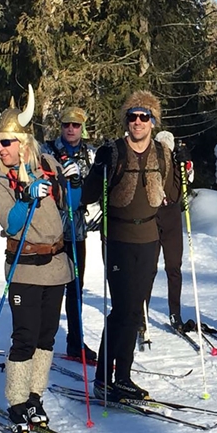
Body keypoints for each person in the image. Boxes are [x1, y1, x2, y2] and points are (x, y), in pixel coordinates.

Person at [0, 85, 79, 433]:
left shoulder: (47, 164)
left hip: (55, 267)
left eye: (6, 142)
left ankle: (35, 395)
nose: (0, 148)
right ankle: (16, 400)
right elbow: (11, 222)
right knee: (24, 336)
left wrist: (74, 180)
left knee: (47, 336)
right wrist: (27, 197)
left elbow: (71, 201)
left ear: (23, 143)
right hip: (24, 268)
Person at [82, 90, 179, 401]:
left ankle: (119, 376)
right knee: (123, 309)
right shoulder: (113, 152)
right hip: (118, 239)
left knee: (135, 311)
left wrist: (184, 169)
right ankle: (107, 376)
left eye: (144, 116)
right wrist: (97, 171)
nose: (138, 122)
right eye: (133, 116)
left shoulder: (163, 154)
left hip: (149, 239)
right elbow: (88, 195)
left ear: (152, 121)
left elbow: (173, 195)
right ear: (126, 120)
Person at [41, 107, 97, 363]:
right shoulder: (47, 150)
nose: (71, 129)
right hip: (50, 229)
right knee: (47, 286)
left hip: (76, 230)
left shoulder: (90, 153)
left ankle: (75, 342)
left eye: (75, 125)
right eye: (66, 125)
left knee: (75, 288)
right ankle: (40, 340)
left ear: (82, 127)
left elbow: (96, 188)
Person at [148, 131, 194, 333]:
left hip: (172, 216)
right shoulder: (151, 162)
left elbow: (189, 178)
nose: (165, 151)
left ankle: (175, 313)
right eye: (161, 147)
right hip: (152, 215)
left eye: (168, 147)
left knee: (174, 267)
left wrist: (187, 162)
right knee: (148, 268)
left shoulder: (178, 163)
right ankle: (141, 312)